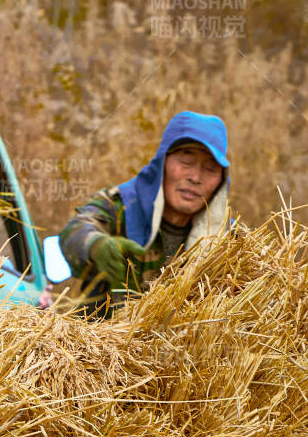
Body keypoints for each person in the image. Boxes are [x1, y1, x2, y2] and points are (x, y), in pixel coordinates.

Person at [60, 111, 230, 315]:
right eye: (186, 163)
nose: (195, 177)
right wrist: (97, 246)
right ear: (162, 163)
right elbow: (75, 231)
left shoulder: (227, 239)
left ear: (221, 181)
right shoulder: (119, 205)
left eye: (210, 169)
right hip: (99, 341)